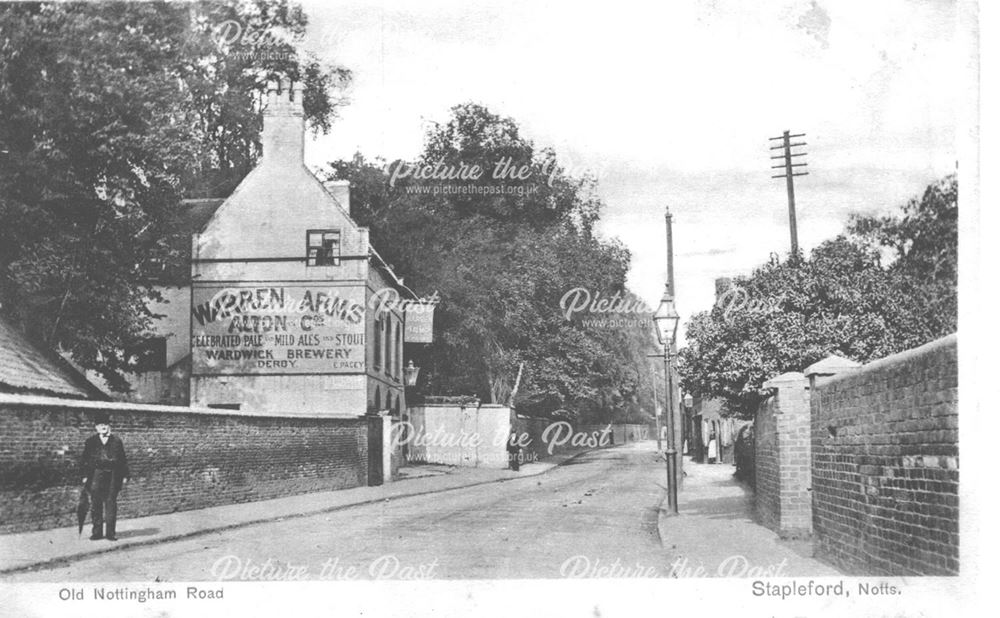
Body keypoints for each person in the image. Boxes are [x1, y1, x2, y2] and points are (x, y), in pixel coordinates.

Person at [80, 412, 129, 541]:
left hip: (113, 475)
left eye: (105, 425)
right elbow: (84, 460)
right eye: (100, 425)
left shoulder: (116, 441)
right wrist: (85, 475)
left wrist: (125, 475)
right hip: (96, 474)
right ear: (96, 427)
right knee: (96, 504)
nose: (103, 427)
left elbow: (123, 459)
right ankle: (97, 532)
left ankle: (110, 533)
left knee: (111, 504)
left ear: (109, 426)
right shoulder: (91, 442)